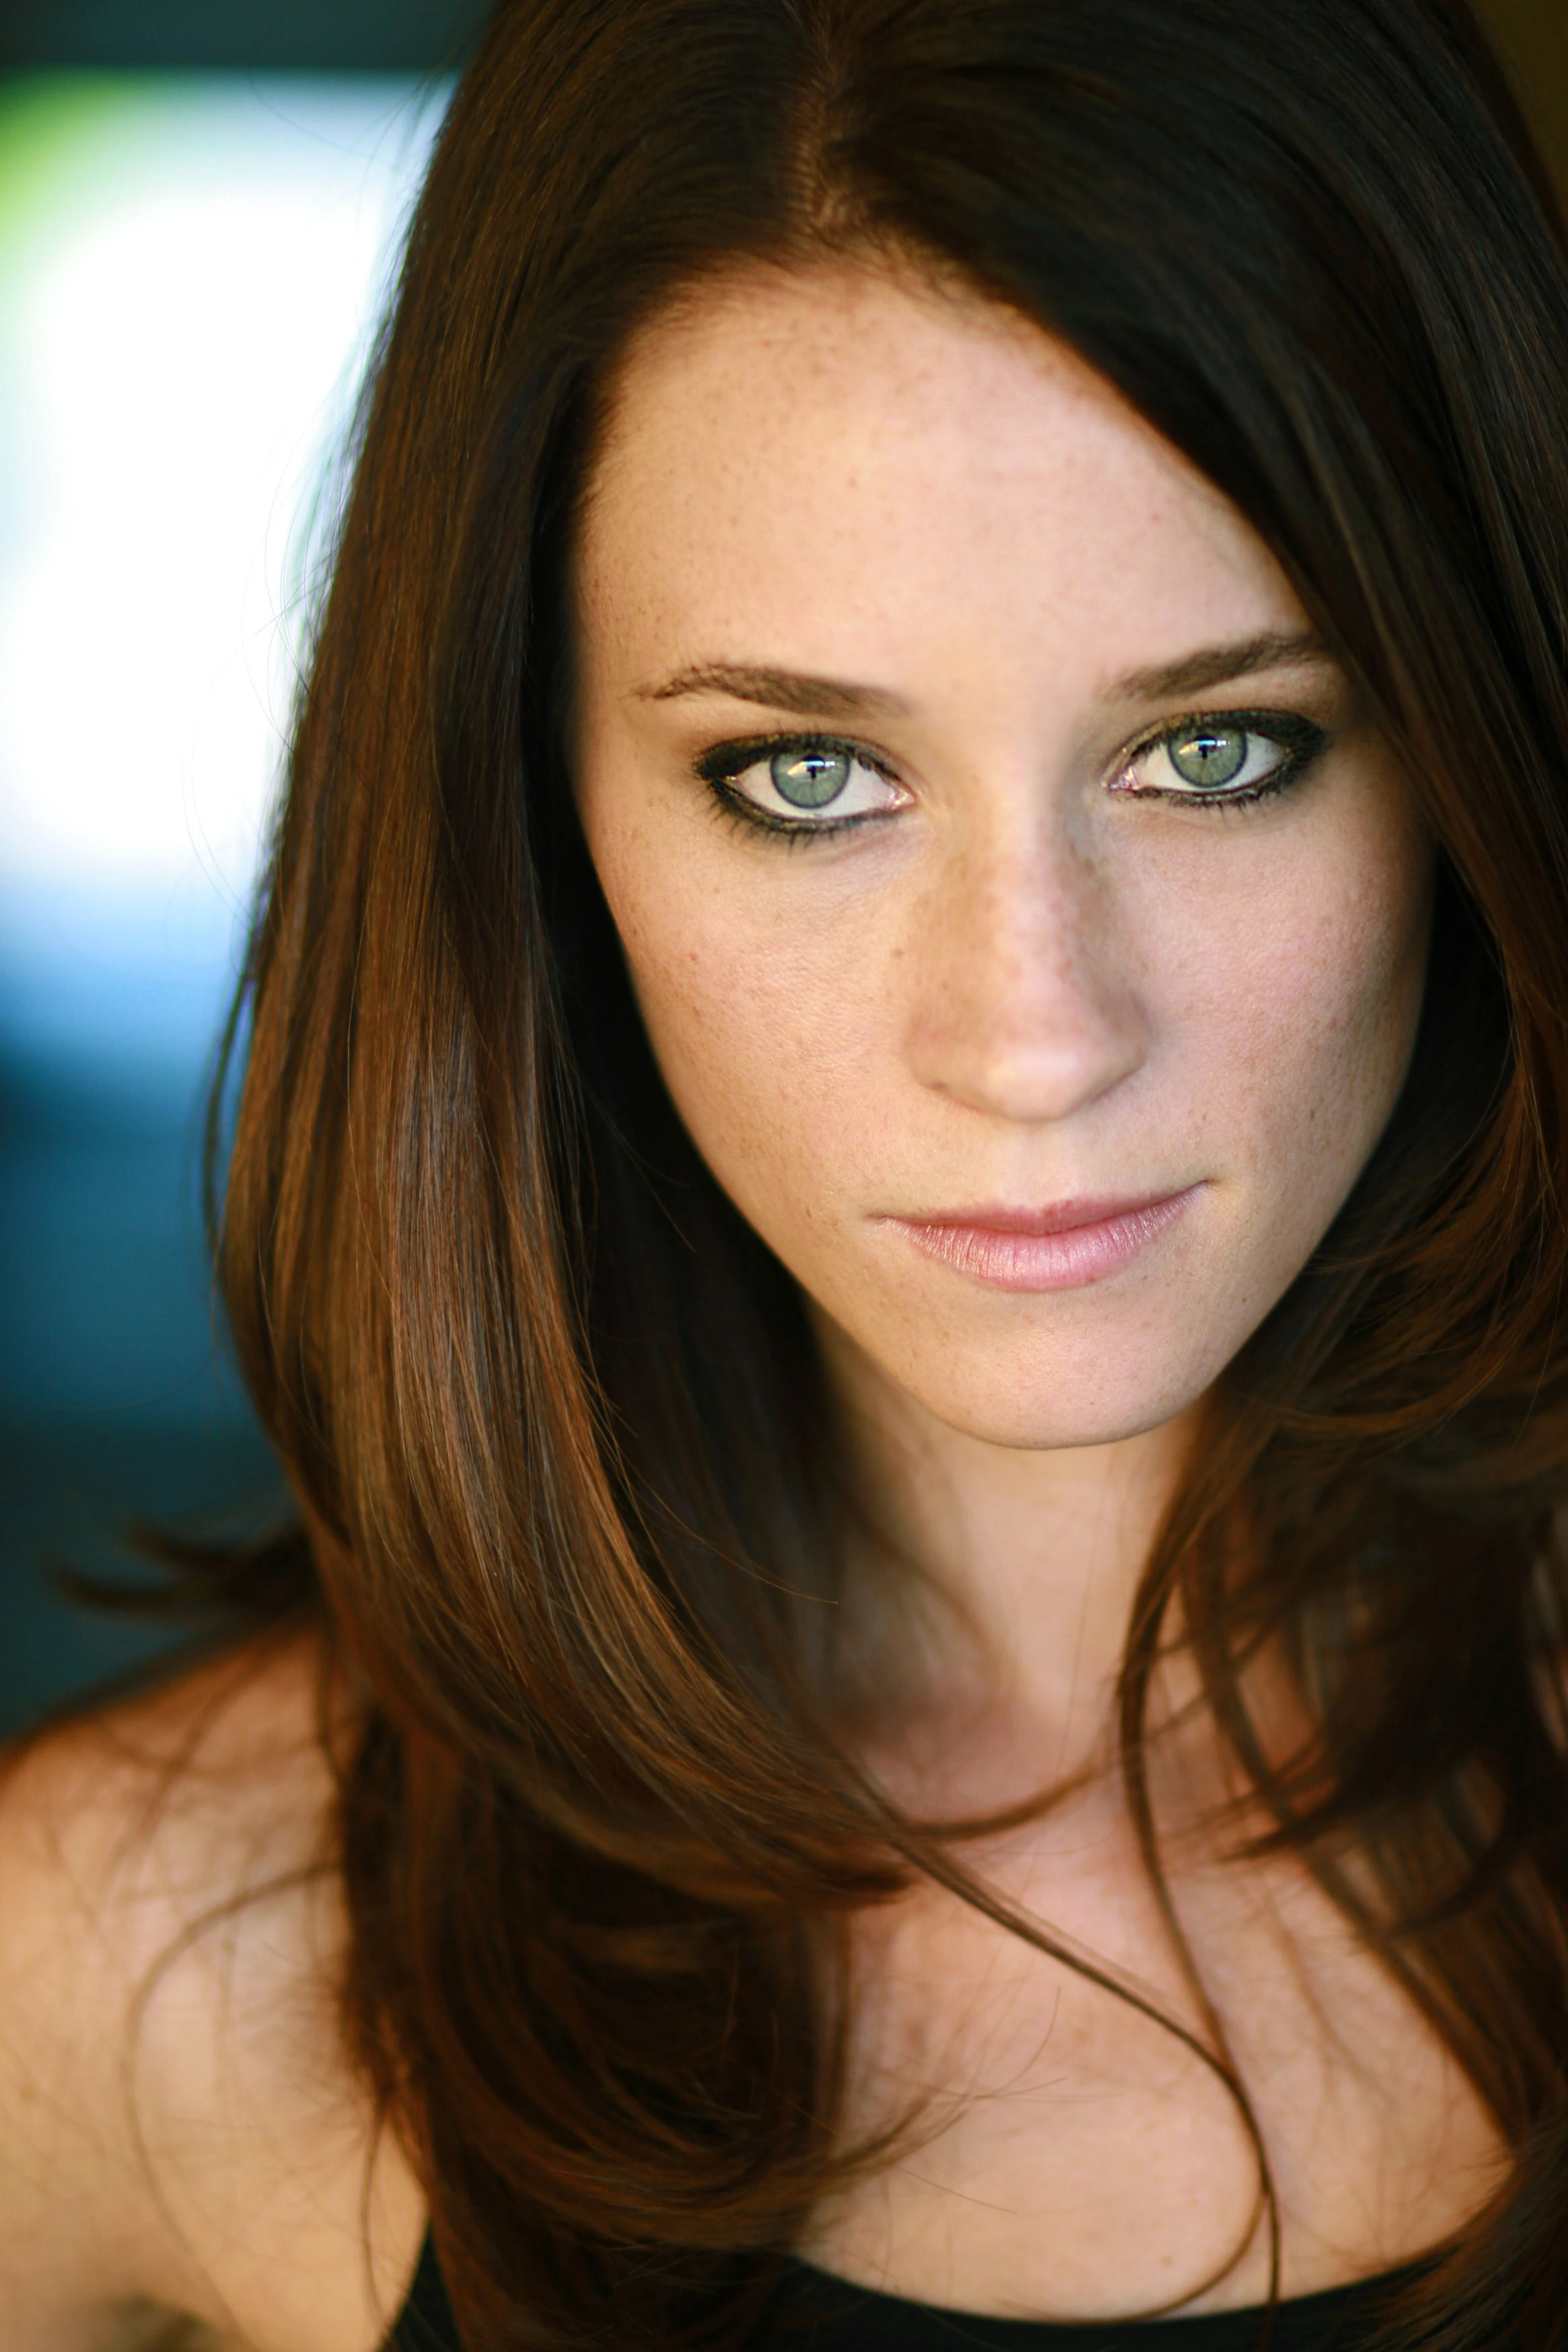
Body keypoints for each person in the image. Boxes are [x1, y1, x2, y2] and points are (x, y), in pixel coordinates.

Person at [5, 0, 1568, 2344]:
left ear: (1475, 747)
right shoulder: (151, 1960)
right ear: (537, 809)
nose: (1033, 1036)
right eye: (809, 778)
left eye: (1221, 750)